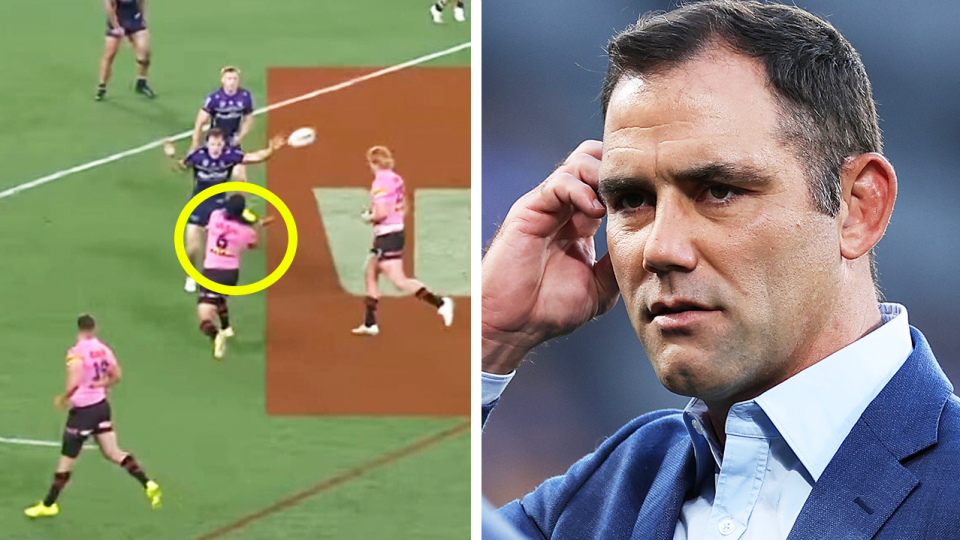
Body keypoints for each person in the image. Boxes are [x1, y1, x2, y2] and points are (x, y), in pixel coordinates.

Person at [481, 1, 960, 538]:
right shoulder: (600, 498)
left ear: (858, 207)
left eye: (719, 191)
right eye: (632, 199)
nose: (659, 249)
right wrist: (489, 335)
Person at [24, 315, 161, 518]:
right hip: (101, 407)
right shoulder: (104, 349)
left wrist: (64, 397)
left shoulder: (76, 353)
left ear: (79, 329)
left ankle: (48, 504)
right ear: (94, 328)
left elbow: (75, 380)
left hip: (83, 414)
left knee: (66, 461)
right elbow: (117, 375)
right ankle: (147, 482)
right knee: (113, 453)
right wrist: (102, 384)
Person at [164, 128, 284, 294]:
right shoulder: (198, 156)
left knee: (222, 244)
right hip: (197, 204)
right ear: (207, 144)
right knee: (192, 248)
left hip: (219, 206)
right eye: (213, 144)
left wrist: (271, 150)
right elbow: (180, 168)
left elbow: (254, 158)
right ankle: (191, 276)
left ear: (223, 144)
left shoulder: (229, 155)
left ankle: (253, 224)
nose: (216, 147)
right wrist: (170, 156)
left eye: (219, 144)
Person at [352, 146, 454, 336]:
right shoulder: (396, 178)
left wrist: (369, 217)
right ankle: (370, 323)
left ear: (373, 163)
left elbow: (381, 212)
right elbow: (405, 207)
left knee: (399, 281)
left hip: (387, 236)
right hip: (394, 232)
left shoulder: (380, 183)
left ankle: (440, 303)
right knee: (370, 272)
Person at [197, 195, 270, 359]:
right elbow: (254, 245)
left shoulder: (215, 216)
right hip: (230, 274)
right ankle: (226, 327)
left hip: (212, 271)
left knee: (204, 315)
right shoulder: (245, 233)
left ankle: (215, 335)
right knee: (220, 298)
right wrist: (258, 226)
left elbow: (216, 226)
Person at [190, 66, 255, 184]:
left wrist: (240, 137)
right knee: (212, 174)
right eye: (229, 78)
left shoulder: (245, 97)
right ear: (223, 80)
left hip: (232, 141)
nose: (232, 82)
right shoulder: (214, 98)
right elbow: (200, 121)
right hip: (215, 142)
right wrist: (195, 142)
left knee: (240, 176)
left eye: (235, 79)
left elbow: (249, 119)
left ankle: (239, 201)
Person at [96, 0, 155, 101]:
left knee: (145, 52)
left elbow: (143, 2)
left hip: (135, 19)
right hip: (117, 20)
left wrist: (143, 17)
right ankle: (102, 86)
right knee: (109, 55)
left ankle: (142, 82)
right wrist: (117, 27)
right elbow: (109, 7)